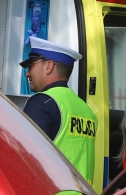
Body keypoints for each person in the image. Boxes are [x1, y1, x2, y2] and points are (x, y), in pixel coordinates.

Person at [20, 36, 96, 182]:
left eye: (31, 66)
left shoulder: (41, 103)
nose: (27, 73)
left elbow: (26, 159)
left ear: (49, 66)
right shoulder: (87, 111)